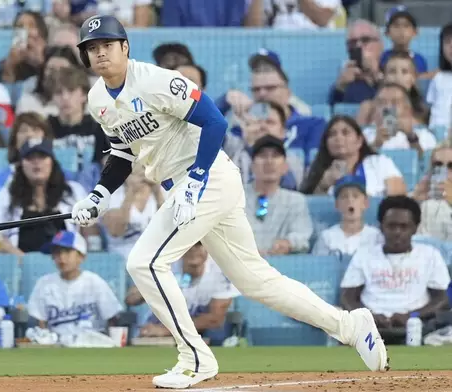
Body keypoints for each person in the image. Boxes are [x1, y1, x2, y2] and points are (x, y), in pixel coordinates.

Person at [70, 15, 388, 389]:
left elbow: (215, 123)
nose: (100, 53)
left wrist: (196, 182)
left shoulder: (156, 80)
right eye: (92, 48)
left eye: (107, 44)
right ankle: (350, 326)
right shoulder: (97, 100)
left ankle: (194, 358)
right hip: (184, 186)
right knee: (256, 281)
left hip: (207, 178)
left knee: (145, 263)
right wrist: (99, 195)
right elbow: (123, 152)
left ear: (125, 47)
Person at [340, 196, 451, 345]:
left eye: (404, 226)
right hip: (371, 328)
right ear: (381, 226)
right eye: (391, 226)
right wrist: (369, 316)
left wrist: (411, 316)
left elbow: (443, 299)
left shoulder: (430, 255)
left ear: (415, 228)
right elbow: (347, 298)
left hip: (417, 327)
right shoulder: (364, 255)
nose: (397, 232)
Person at [128, 242, 240, 346]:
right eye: (188, 246)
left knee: (217, 333)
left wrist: (166, 330)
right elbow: (130, 299)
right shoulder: (163, 265)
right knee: (146, 332)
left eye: (198, 245)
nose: (193, 250)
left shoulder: (220, 271)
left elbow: (215, 319)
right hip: (160, 325)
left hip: (199, 330)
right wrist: (151, 287)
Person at [0, 138, 86, 255]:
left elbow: (90, 231)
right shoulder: (7, 195)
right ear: (21, 165)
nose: (36, 162)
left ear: (52, 162)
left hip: (66, 265)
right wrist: (19, 257)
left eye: (42, 157)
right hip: (21, 268)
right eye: (30, 158)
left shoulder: (74, 191)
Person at [26, 230, 123, 343]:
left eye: (67, 252)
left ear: (81, 256)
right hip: (57, 346)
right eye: (57, 252)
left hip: (91, 345)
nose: (62, 258)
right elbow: (39, 322)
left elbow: (113, 319)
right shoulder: (44, 284)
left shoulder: (94, 282)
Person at [300, 115, 406, 197]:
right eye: (332, 134)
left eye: (345, 133)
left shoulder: (380, 163)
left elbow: (397, 198)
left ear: (359, 141)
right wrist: (323, 186)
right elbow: (312, 213)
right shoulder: (319, 170)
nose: (338, 138)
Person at [245, 136, 313, 255]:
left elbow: (302, 235)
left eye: (275, 156)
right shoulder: (235, 197)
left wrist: (288, 243)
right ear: (252, 166)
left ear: (285, 167)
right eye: (262, 155)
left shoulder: (295, 201)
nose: (269, 161)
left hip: (281, 267)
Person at [312, 176, 383, 256]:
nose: (350, 200)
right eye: (344, 196)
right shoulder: (327, 237)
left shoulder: (376, 237)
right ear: (337, 205)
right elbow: (318, 266)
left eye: (355, 196)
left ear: (365, 203)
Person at [357, 52, 428, 126]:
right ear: (384, 77)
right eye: (392, 71)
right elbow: (359, 134)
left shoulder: (422, 111)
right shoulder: (368, 107)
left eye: (404, 72)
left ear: (413, 78)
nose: (398, 77)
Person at [379, 6, 427, 75]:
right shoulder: (381, 58)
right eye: (396, 25)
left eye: (406, 25)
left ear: (415, 32)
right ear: (387, 32)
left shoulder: (419, 60)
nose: (401, 30)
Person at [426, 23, 452, 129]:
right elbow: (434, 110)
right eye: (447, 42)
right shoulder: (438, 78)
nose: (451, 46)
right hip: (439, 135)